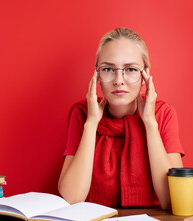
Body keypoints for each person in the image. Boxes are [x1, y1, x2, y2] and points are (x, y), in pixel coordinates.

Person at [58, 28, 184, 209]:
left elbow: (172, 200)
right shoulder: (82, 113)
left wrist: (149, 123)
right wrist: (92, 123)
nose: (119, 80)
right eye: (108, 69)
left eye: (131, 69)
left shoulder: (163, 114)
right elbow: (71, 198)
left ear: (144, 76)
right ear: (97, 75)